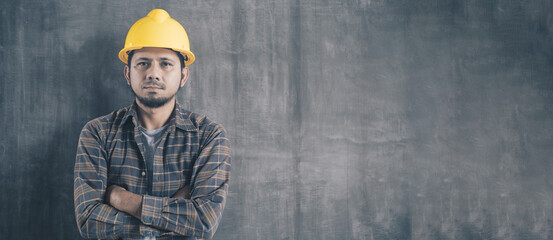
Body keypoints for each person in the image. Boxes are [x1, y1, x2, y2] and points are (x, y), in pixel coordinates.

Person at [73, 9, 231, 240]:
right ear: (128, 73)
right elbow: (89, 220)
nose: (153, 73)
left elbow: (204, 221)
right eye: (143, 63)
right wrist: (175, 211)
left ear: (183, 76)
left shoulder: (208, 136)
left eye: (165, 64)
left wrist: (121, 199)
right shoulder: (98, 133)